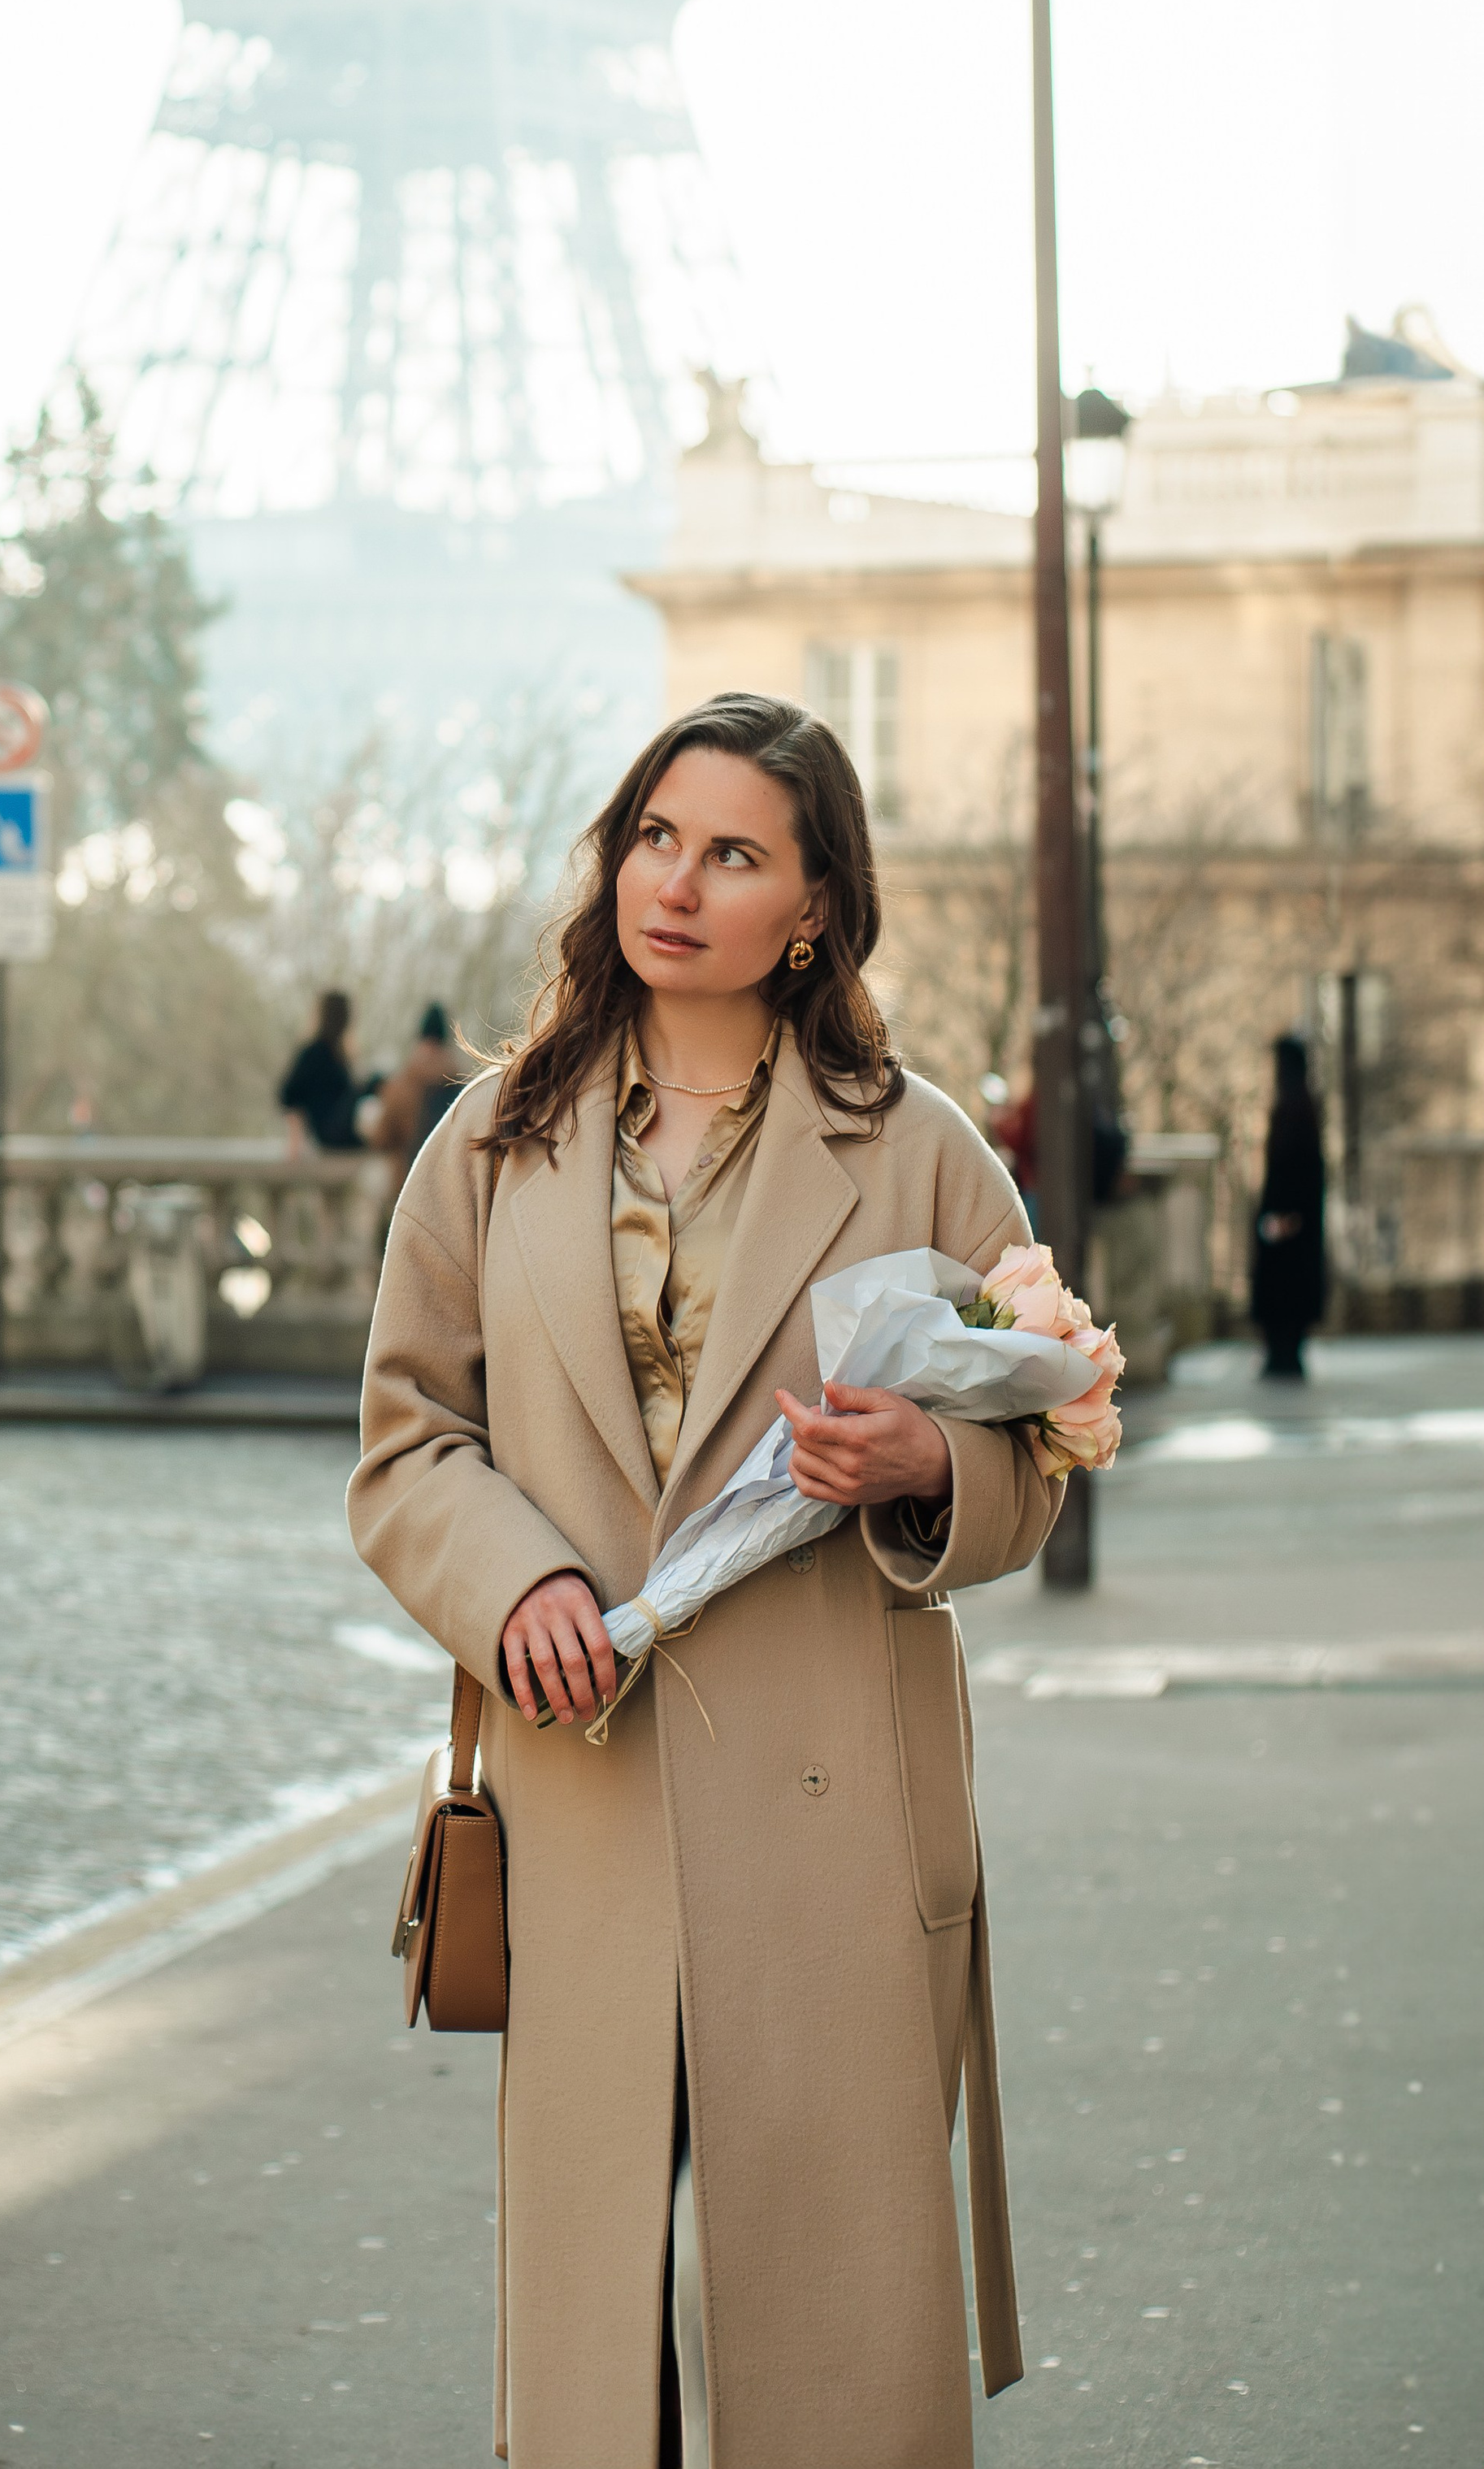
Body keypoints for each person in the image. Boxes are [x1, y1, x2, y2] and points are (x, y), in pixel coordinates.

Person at [351, 691, 1061, 2469]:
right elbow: (405, 1437)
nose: (672, 883)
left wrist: (922, 1470)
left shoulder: (911, 1144)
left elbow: (1038, 1441)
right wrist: (507, 1579)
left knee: (824, 2315)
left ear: (810, 906)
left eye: (731, 851)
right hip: (584, 1775)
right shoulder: (495, 1137)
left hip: (830, 1800)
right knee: (607, 2325)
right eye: (652, 837)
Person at [1251, 1031, 1326, 1379]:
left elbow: (1297, 1169)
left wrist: (1286, 1216)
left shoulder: (1295, 1107)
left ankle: (1284, 1354)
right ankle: (1283, 1353)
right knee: (1286, 1287)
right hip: (1291, 1217)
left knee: (1284, 1287)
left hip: (1289, 1219)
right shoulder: (1298, 1105)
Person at [368, 1002, 466, 1205]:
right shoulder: (464, 1084)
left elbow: (381, 1137)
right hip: (455, 1195)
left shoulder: (403, 1085)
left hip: (410, 1193)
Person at [278, 992, 363, 1155]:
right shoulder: (315, 1052)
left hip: (343, 1129)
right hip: (332, 1133)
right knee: (376, 1082)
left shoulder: (338, 1054)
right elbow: (289, 1094)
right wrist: (295, 1142)